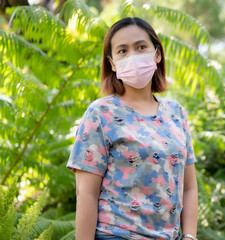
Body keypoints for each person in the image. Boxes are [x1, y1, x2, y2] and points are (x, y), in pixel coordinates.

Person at [66, 17, 198, 240]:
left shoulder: (176, 113)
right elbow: (86, 194)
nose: (133, 56)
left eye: (141, 47)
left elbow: (189, 188)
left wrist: (190, 236)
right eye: (123, 51)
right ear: (113, 63)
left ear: (157, 54)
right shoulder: (100, 113)